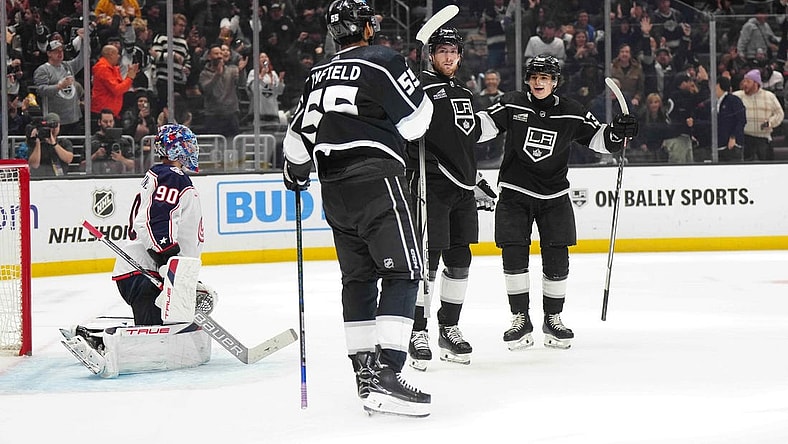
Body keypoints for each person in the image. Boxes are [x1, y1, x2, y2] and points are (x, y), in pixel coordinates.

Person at [282, 0, 433, 418]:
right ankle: (388, 373)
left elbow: (296, 143)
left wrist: (295, 172)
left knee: (359, 279)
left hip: (333, 189)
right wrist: (417, 91)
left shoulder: (317, 74)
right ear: (365, 28)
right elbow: (416, 124)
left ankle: (365, 374)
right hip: (376, 180)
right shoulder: (384, 59)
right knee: (403, 271)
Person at [476, 54, 637, 351]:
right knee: (513, 257)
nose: (539, 82)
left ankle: (553, 318)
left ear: (555, 82)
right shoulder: (513, 102)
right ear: (527, 79)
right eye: (534, 76)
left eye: (545, 78)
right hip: (514, 192)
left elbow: (600, 140)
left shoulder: (572, 111)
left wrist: (617, 132)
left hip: (554, 196)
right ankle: (520, 318)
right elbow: (483, 126)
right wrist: (457, 122)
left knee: (558, 259)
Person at [60, 123, 216, 378]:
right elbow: (155, 221)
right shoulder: (172, 177)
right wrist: (169, 262)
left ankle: (93, 336)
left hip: (146, 272)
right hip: (147, 273)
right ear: (175, 149)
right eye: (187, 145)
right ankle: (103, 347)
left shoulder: (165, 176)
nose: (192, 150)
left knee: (163, 328)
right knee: (156, 338)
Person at [404, 27, 497, 371]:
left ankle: (448, 327)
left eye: (452, 51)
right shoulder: (417, 89)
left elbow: (464, 143)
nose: (447, 56)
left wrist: (476, 180)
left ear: (460, 56)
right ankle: (417, 330)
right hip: (430, 184)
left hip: (461, 189)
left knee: (460, 260)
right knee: (428, 260)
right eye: (441, 50)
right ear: (430, 55)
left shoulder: (465, 93)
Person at [33, 39, 85, 135]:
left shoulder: (67, 66)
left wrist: (83, 41)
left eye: (61, 50)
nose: (60, 53)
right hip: (55, 120)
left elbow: (83, 59)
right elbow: (41, 90)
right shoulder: (43, 70)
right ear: (49, 53)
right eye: (56, 51)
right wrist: (59, 86)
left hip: (74, 119)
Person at [733, 69, 784, 161]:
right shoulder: (737, 96)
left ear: (756, 83)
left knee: (766, 167)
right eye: (744, 81)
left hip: (763, 139)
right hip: (745, 139)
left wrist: (770, 122)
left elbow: (779, 114)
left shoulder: (769, 96)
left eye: (748, 81)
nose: (744, 84)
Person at [199, 43, 247, 138]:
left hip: (231, 114)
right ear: (209, 56)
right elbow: (206, 90)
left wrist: (241, 70)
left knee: (233, 145)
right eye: (216, 54)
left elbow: (241, 83)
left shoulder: (232, 70)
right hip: (213, 115)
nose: (219, 56)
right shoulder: (204, 74)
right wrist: (217, 75)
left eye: (220, 54)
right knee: (214, 146)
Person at [91, 44, 140, 124]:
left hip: (112, 113)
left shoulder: (113, 68)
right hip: (102, 114)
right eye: (117, 54)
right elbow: (117, 90)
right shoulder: (102, 68)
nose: (119, 56)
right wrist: (129, 78)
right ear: (110, 54)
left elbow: (121, 87)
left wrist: (129, 75)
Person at [25, 112, 75, 177]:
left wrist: (54, 144)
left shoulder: (64, 142)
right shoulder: (34, 143)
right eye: (50, 127)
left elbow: (69, 159)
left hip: (60, 179)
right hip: (40, 178)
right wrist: (38, 142)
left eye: (55, 126)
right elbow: (34, 164)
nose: (53, 129)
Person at [473, 69, 506, 168]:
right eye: (488, 79)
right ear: (485, 81)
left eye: (493, 79)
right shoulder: (476, 98)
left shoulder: (506, 99)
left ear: (499, 80)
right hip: (480, 147)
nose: (491, 82)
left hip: (499, 148)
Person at [245, 52, 286, 130]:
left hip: (272, 108)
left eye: (266, 57)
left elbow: (279, 92)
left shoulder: (273, 74)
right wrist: (262, 75)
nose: (264, 58)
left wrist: (280, 80)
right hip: (259, 108)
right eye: (261, 57)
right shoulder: (253, 72)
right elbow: (254, 89)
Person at [90, 108, 136, 174]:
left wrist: (121, 159)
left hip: (118, 178)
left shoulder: (122, 141)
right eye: (105, 122)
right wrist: (95, 156)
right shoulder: (92, 141)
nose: (108, 124)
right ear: (99, 122)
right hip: (97, 178)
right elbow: (81, 166)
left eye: (111, 121)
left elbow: (133, 165)